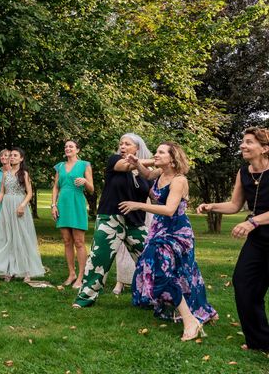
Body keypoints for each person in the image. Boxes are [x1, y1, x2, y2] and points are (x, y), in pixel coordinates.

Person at [120, 142, 218, 341]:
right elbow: (147, 176)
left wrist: (138, 205)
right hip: (159, 229)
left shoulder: (178, 180)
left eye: (160, 152)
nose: (156, 154)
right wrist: (138, 164)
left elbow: (169, 210)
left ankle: (191, 320)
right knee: (176, 271)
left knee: (166, 270)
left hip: (176, 232)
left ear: (172, 159)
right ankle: (202, 310)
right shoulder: (159, 173)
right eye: (156, 151)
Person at [197, 127, 269, 351]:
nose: (243, 145)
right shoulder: (243, 172)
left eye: (249, 142)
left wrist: (252, 222)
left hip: (258, 228)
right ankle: (260, 341)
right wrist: (212, 207)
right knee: (244, 284)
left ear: (265, 148)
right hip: (259, 240)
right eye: (243, 141)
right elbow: (235, 204)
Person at [73, 133, 152, 308]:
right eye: (121, 143)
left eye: (127, 144)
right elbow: (127, 166)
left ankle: (154, 298)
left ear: (137, 148)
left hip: (136, 223)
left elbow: (154, 195)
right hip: (110, 218)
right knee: (98, 259)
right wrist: (158, 161)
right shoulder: (115, 161)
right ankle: (85, 298)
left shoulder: (145, 174)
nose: (122, 146)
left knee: (150, 258)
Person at [0, 148, 45, 282]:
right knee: (7, 237)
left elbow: (29, 193)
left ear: (21, 158)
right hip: (6, 207)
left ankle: (27, 271)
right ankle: (9, 270)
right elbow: (2, 193)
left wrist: (22, 205)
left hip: (19, 206)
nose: (12, 158)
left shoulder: (25, 174)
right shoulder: (5, 174)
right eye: (11, 156)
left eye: (15, 156)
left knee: (22, 237)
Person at [51, 140, 94, 289]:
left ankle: (81, 276)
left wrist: (85, 181)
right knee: (67, 241)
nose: (68, 148)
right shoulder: (60, 166)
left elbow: (92, 189)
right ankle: (71, 274)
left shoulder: (84, 165)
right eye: (66, 146)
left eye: (71, 146)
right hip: (63, 204)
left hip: (77, 203)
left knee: (79, 241)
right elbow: (56, 187)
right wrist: (53, 205)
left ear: (77, 150)